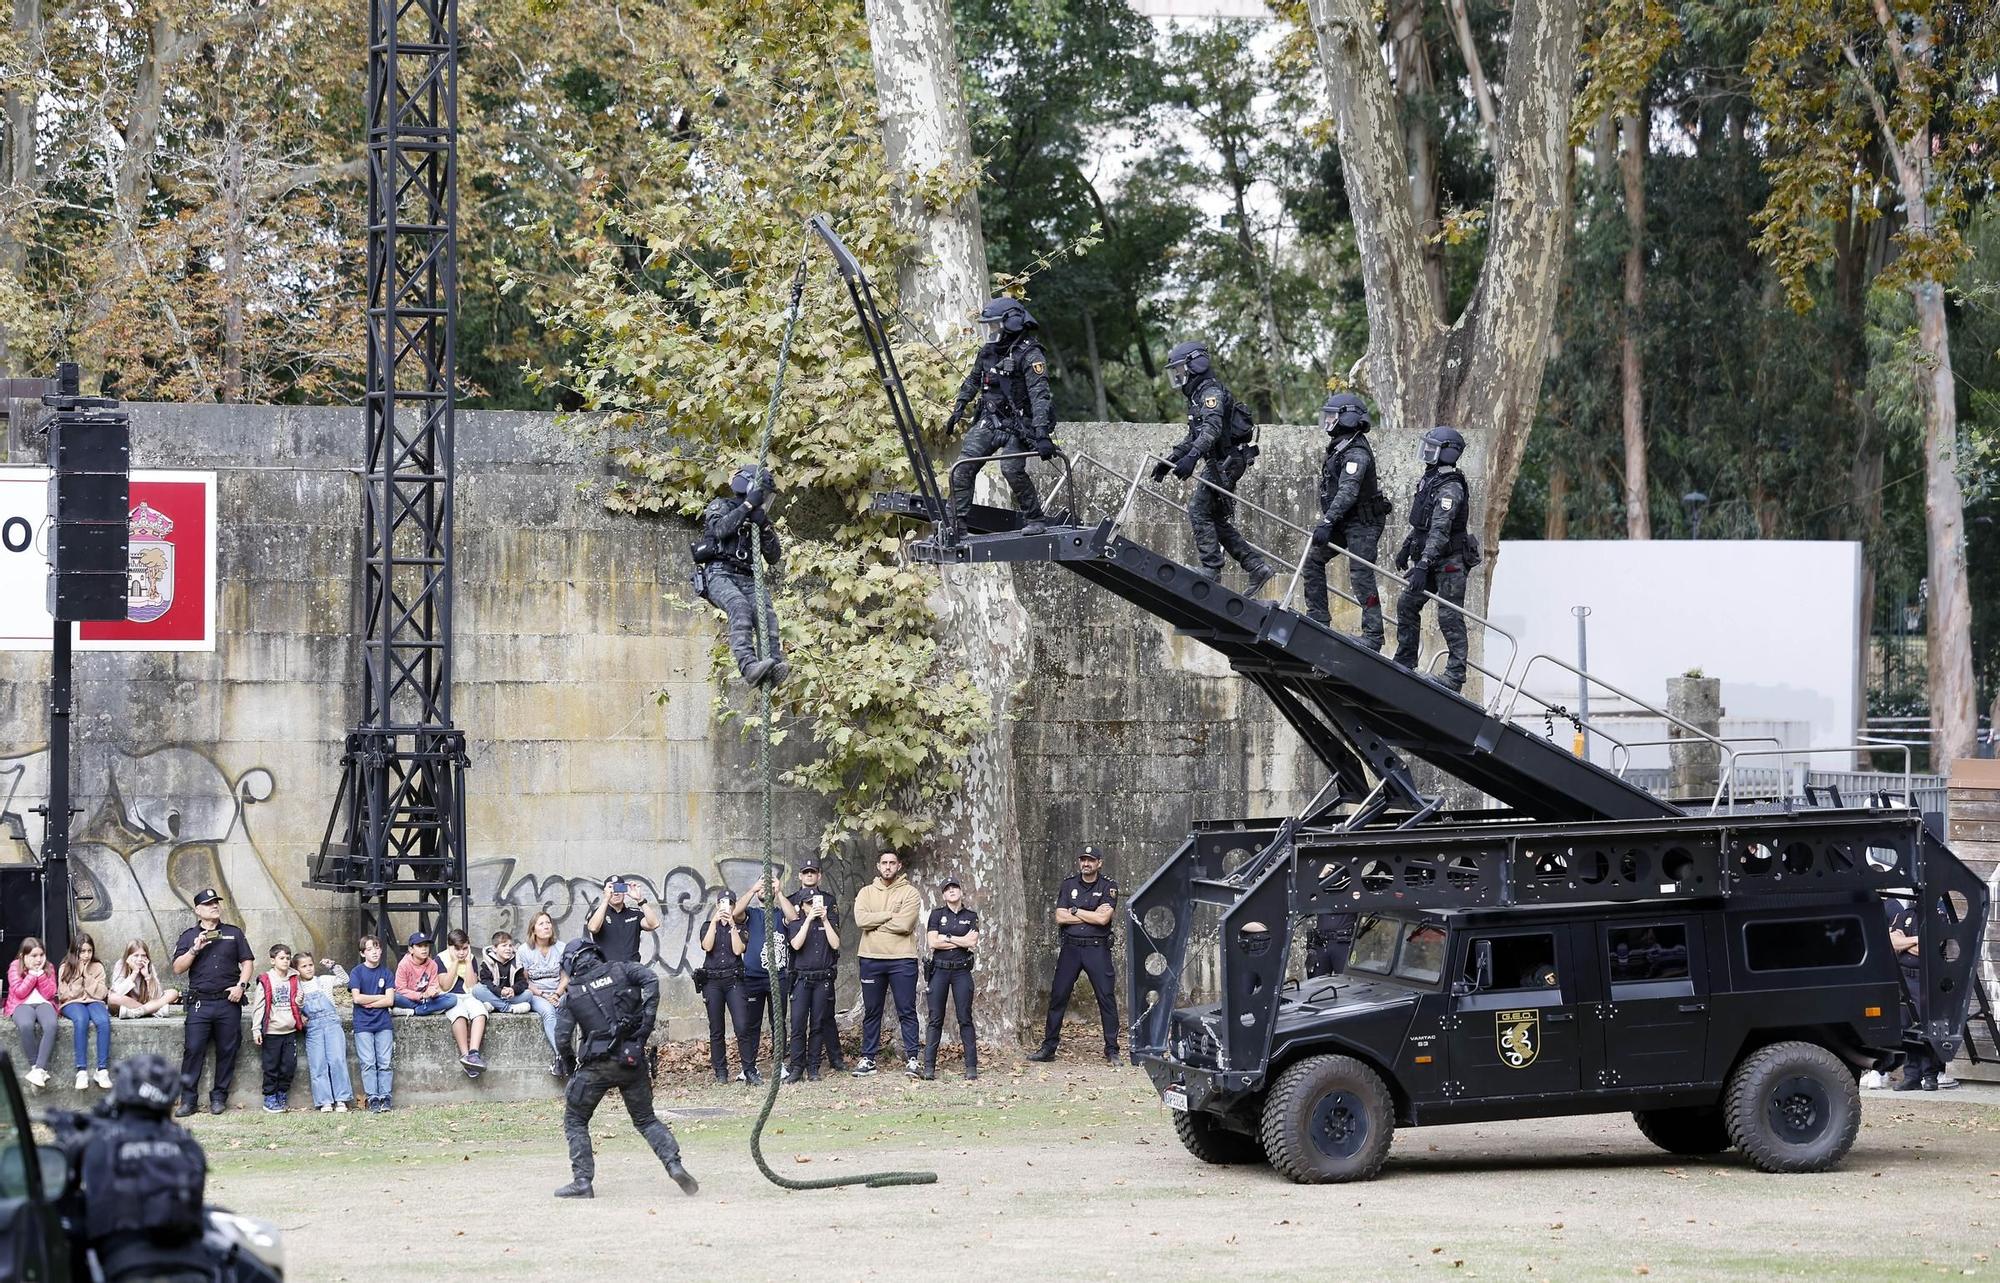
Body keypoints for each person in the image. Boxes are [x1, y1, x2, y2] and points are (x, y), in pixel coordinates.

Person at [551, 939, 699, 1199]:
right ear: (596, 954)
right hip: (631, 1059)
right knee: (646, 1119)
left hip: (595, 1065)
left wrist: (570, 1063)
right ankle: (674, 1164)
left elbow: (562, 1038)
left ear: (570, 965)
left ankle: (582, 1181)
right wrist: (645, 1027)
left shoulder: (571, 994)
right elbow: (651, 979)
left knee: (575, 1120)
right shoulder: (621, 970)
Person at [47, 1052, 211, 1283]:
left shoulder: (98, 1141)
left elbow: (57, 1191)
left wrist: (67, 1136)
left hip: (125, 1268)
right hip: (196, 1268)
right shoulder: (187, 1144)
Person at [1155, 340, 1276, 594]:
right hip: (1219, 462)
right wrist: (1171, 460)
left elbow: (1212, 429)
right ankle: (1256, 566)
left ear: (1194, 365)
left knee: (1198, 510)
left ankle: (1211, 569)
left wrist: (1192, 458)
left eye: (1179, 369)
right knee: (1216, 520)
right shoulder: (1198, 394)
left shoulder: (1210, 393)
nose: (1177, 376)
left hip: (1227, 462)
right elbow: (1193, 435)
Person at [944, 297, 1056, 539]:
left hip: (1019, 425)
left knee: (1011, 468)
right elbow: (973, 380)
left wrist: (1042, 433)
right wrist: (959, 407)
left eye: (995, 325)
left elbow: (1040, 396)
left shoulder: (1031, 354)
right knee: (961, 468)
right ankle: (956, 524)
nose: (992, 331)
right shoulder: (988, 352)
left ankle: (1035, 518)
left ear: (1011, 323)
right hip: (989, 420)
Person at [1391, 425, 1479, 693]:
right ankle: (1406, 659)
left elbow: (1440, 531)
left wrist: (1423, 565)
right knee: (1407, 604)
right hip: (1429, 560)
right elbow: (1423, 524)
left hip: (1449, 562)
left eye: (1434, 448)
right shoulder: (1431, 479)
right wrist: (1407, 548)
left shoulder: (1451, 487)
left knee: (1449, 617)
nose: (1427, 452)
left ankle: (1454, 676)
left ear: (1449, 454)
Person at [1303, 392, 1391, 649]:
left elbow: (1349, 490)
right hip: (1344, 520)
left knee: (1361, 575)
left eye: (1333, 416)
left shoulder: (1357, 453)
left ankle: (1373, 636)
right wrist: (1332, 522)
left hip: (1363, 523)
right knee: (1312, 560)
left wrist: (1327, 521)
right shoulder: (1342, 446)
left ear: (1348, 418)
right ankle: (1318, 617)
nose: (1328, 421)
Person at [692, 464, 789, 687]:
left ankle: (773, 664)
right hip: (719, 574)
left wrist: (763, 525)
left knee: (766, 614)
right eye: (761, 494)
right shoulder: (721, 506)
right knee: (739, 607)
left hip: (747, 576)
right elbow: (720, 530)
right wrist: (746, 506)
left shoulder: (757, 518)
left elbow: (773, 556)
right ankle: (748, 667)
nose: (763, 499)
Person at [1028, 845, 1121, 1063]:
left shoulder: (1108, 886)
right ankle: (1048, 1048)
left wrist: (1075, 911)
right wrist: (1088, 914)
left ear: (1099, 863)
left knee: (1106, 998)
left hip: (1097, 948)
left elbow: (1103, 920)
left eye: (1090, 860)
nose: (1086, 864)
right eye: (1083, 860)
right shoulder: (1069, 884)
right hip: (1070, 949)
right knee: (1058, 997)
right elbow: (1060, 917)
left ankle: (1112, 1049)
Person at [170, 887, 254, 1116]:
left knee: (228, 1050)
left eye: (216, 902)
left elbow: (247, 962)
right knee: (193, 1050)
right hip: (200, 1004)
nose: (214, 906)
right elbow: (177, 968)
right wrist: (195, 949)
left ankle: (219, 1097)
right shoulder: (189, 936)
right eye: (208, 904)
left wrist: (241, 986)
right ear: (198, 910)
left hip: (228, 1002)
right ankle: (188, 1100)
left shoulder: (233, 933)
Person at [851, 850, 921, 1076]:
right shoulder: (866, 892)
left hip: (902, 959)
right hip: (871, 958)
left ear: (899, 865)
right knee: (872, 1011)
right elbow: (861, 920)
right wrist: (890, 914)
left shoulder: (910, 893)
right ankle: (868, 1059)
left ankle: (912, 1059)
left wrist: (876, 921)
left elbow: (905, 925)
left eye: (892, 863)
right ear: (878, 866)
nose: (888, 866)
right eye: (884, 863)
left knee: (907, 1010)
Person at [916, 878, 979, 1082]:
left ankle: (971, 1067)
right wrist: (959, 941)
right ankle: (928, 1067)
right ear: (943, 895)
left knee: (965, 1018)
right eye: (947, 889)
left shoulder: (971, 916)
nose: (951, 891)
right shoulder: (936, 915)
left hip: (961, 971)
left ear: (961, 892)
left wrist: (948, 938)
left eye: (955, 888)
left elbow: (972, 942)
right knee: (935, 1019)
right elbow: (933, 942)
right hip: (939, 971)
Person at [787, 861, 847, 1071]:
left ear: (819, 876)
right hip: (801, 976)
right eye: (809, 903)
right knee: (797, 1025)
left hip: (823, 976)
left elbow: (836, 943)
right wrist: (807, 920)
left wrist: (824, 920)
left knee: (820, 1023)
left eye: (816, 903)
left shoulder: (828, 909)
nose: (813, 906)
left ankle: (815, 1066)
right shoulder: (795, 917)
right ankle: (796, 1067)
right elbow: (795, 944)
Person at [733, 874, 794, 1081]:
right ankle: (749, 1067)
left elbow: (793, 917)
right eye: (762, 887)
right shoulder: (751, 914)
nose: (764, 890)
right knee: (752, 1024)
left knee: (778, 1023)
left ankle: (780, 1065)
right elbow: (735, 913)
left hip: (778, 977)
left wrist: (779, 893)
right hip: (752, 977)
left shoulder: (780, 913)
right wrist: (752, 889)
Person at [696, 892, 755, 1084]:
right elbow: (707, 946)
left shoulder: (740, 927)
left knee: (742, 1026)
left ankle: (749, 1069)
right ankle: (721, 1071)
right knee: (716, 1028)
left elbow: (739, 950)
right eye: (722, 904)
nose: (725, 908)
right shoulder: (707, 926)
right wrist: (714, 922)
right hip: (712, 981)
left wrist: (731, 925)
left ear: (734, 906)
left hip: (734, 981)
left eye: (729, 904)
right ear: (716, 905)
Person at [295, 953, 354, 1113]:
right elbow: (297, 1007)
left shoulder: (323, 981)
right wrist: (299, 1003)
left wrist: (334, 966)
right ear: (297, 969)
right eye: (303, 966)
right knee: (317, 1063)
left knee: (337, 1060)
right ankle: (324, 1100)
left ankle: (341, 1099)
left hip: (332, 1024)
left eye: (310, 965)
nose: (308, 968)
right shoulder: (296, 986)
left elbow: (346, 981)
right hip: (313, 1027)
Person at [249, 943, 303, 1113]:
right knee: (271, 1067)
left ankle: (281, 1093)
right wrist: (256, 1029)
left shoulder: (295, 978)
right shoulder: (266, 980)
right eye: (281, 958)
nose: (285, 961)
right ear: (272, 960)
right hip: (272, 1031)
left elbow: (298, 1003)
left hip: (290, 1030)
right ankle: (270, 1097)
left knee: (288, 1066)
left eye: (288, 958)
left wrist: (300, 1001)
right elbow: (259, 1006)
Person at [347, 935, 398, 1112]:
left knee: (385, 1062)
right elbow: (357, 998)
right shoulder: (357, 972)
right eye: (369, 949)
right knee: (368, 1062)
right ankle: (373, 1097)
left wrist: (372, 1002)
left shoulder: (386, 972)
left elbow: (390, 1000)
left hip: (383, 1023)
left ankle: (386, 1096)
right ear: (363, 953)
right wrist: (380, 997)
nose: (374, 952)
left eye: (376, 948)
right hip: (363, 1024)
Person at [57, 933, 114, 1090]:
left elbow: (102, 993)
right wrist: (77, 977)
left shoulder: (98, 967)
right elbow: (64, 994)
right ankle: (81, 1071)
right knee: (81, 1019)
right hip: (72, 1002)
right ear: (75, 951)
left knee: (103, 1021)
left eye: (89, 951)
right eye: (82, 951)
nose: (86, 955)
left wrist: (87, 976)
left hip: (94, 1001)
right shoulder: (65, 967)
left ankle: (101, 1070)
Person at [516, 911, 567, 1076]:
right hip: (537, 994)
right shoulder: (524, 951)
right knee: (548, 1012)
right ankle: (562, 1056)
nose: (546, 926)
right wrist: (545, 995)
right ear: (533, 930)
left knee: (566, 1008)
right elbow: (524, 982)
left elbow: (566, 977)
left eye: (548, 923)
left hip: (558, 992)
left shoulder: (561, 947)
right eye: (541, 924)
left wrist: (557, 994)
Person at [435, 928, 489, 1077]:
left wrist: (467, 961)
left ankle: (473, 1053)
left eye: (465, 948)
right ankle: (466, 1056)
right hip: (450, 996)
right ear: (449, 947)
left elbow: (472, 985)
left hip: (469, 995)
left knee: (479, 1012)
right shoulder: (440, 959)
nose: (461, 952)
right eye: (457, 949)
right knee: (459, 1015)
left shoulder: (470, 958)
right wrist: (454, 962)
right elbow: (445, 985)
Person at [6, 937, 59, 1088]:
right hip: (21, 1004)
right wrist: (31, 975)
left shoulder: (49, 967)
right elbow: (19, 992)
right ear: (23, 955)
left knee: (51, 1025)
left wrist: (40, 974)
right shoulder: (15, 966)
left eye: (41, 955)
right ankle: (35, 1067)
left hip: (44, 1002)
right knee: (26, 1025)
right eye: (33, 956)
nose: (38, 959)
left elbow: (50, 993)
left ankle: (39, 1069)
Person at [586, 876, 661, 966]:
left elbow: (654, 924)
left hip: (632, 971)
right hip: (607, 971)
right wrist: (606, 899)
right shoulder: (599, 913)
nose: (616, 893)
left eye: (619, 888)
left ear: (624, 891)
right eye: (612, 889)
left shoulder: (634, 913)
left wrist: (639, 900)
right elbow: (593, 928)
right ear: (605, 892)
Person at [107, 940, 179, 1019]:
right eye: (136, 955)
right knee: (113, 998)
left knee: (173, 993)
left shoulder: (148, 965)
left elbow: (157, 996)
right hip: (127, 1003)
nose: (140, 959)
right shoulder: (121, 965)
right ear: (128, 956)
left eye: (143, 955)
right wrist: (134, 972)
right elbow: (119, 992)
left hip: (146, 1001)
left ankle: (138, 1012)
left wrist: (147, 976)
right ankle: (153, 1012)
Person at [1304, 913, 1360, 979]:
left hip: (1344, 943)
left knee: (1346, 979)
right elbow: (1309, 916)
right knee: (1316, 981)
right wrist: (1311, 949)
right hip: (1321, 944)